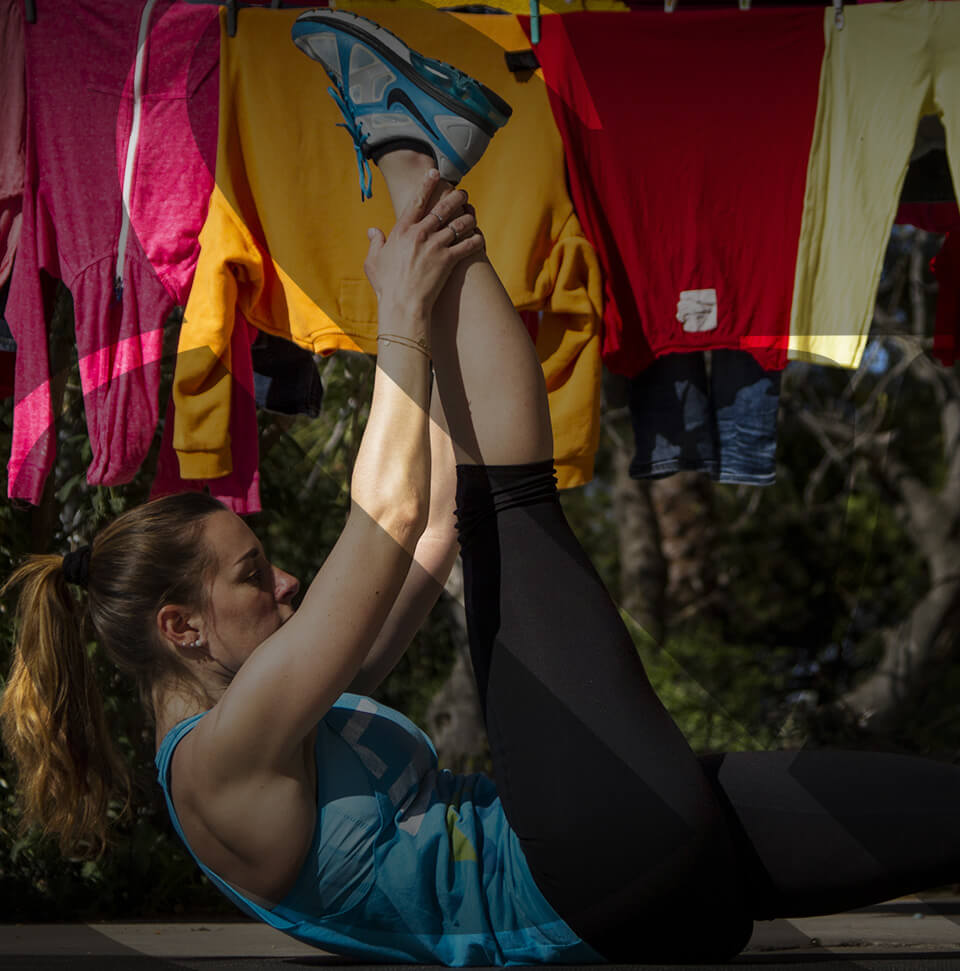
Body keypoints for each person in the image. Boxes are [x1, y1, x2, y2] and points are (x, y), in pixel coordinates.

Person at [5, 9, 960, 966]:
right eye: (252, 573)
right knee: (512, 501)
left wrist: (424, 272)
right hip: (588, 881)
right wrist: (403, 322)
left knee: (490, 499)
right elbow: (387, 515)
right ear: (183, 627)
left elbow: (427, 526)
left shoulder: (294, 709)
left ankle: (420, 160)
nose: (286, 582)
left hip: (647, 868)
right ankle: (406, 148)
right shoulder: (223, 761)